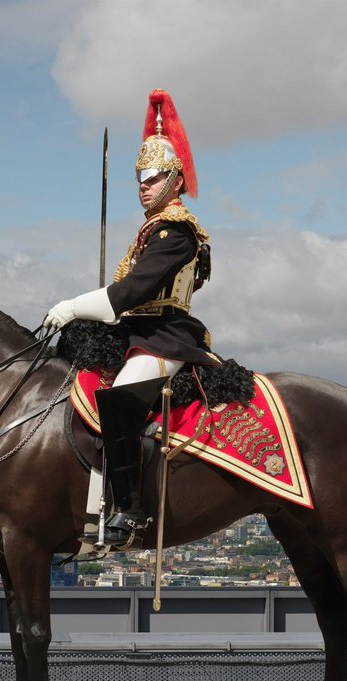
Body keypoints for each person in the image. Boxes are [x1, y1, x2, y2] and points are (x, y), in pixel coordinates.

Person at [44, 89, 216, 549]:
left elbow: (131, 293)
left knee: (119, 400)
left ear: (176, 181)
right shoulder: (149, 231)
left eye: (154, 176)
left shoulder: (177, 232)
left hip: (165, 337)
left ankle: (129, 510)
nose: (144, 183)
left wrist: (74, 306)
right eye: (140, 176)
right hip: (136, 333)